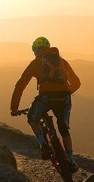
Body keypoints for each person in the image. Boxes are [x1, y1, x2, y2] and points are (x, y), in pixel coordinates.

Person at [10, 36, 81, 168]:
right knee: (64, 128)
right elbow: (77, 82)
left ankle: (43, 145)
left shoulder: (36, 63)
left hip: (46, 98)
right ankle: (72, 160)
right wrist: (66, 93)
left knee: (32, 118)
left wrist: (14, 108)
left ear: (36, 50)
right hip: (64, 98)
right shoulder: (62, 61)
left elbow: (20, 85)